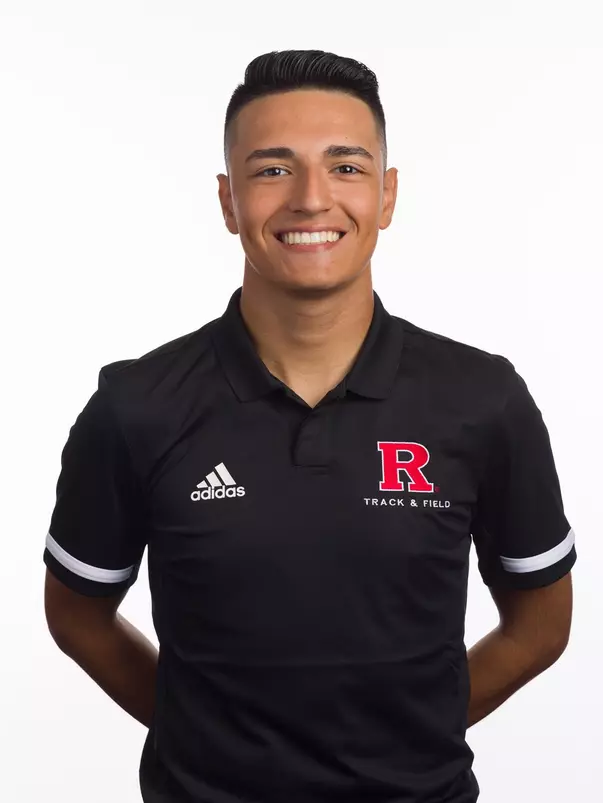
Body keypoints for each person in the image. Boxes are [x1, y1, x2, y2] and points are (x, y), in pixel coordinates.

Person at [43, 49, 576, 803]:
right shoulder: (137, 404)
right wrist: (198, 732)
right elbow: (76, 613)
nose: (310, 198)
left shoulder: (481, 398)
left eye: (346, 167)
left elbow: (541, 623)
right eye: (271, 169)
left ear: (387, 195)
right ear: (228, 202)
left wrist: (415, 732)